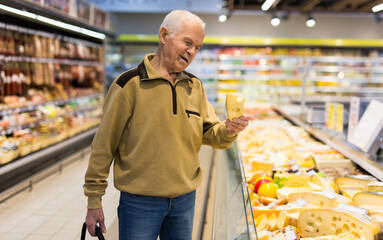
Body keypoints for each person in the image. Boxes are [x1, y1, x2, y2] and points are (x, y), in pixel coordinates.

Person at [83, 10, 250, 240]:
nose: (192, 51)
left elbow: (212, 134)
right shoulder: (128, 85)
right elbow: (103, 147)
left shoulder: (194, 87)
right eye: (187, 42)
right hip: (140, 203)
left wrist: (229, 129)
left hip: (185, 200)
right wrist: (94, 200)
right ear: (164, 35)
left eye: (197, 47)